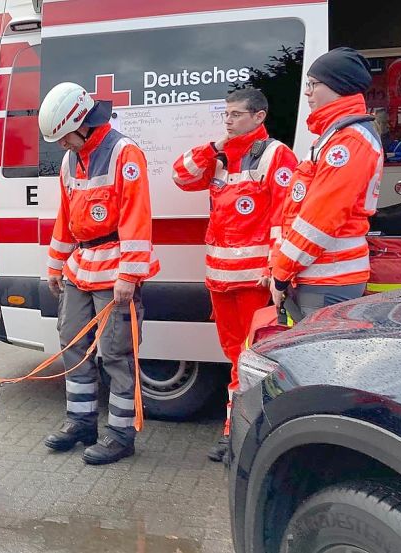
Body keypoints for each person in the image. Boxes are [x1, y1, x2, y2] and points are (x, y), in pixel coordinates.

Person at [171, 88, 297, 462]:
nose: (228, 120)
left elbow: (284, 214)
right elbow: (181, 176)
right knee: (234, 358)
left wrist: (275, 268)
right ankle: (238, 429)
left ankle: (241, 434)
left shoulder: (277, 155)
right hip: (221, 281)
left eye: (236, 115)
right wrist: (215, 145)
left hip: (253, 282)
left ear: (259, 117)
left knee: (255, 358)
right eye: (225, 114)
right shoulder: (220, 157)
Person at [40, 82, 159, 465]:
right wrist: (56, 264)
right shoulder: (70, 160)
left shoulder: (124, 152)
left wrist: (129, 275)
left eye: (64, 137)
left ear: (83, 123)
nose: (61, 145)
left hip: (114, 270)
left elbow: (136, 216)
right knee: (72, 343)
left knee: (116, 353)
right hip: (81, 266)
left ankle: (121, 434)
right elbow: (65, 216)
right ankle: (81, 422)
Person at [270, 47, 384, 321]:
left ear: (337, 85)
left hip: (329, 277)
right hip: (320, 273)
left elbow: (319, 218)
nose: (307, 92)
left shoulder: (348, 140)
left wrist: (282, 271)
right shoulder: (337, 136)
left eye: (313, 84)